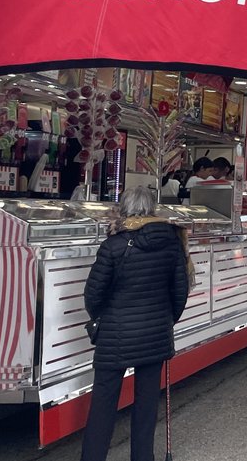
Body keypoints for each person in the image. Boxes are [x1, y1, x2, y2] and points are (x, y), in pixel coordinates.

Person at [81, 186, 192, 461]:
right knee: (146, 404)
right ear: (152, 209)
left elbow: (93, 294)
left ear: (124, 208)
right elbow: (180, 292)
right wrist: (166, 321)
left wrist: (101, 318)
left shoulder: (113, 245)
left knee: (103, 404)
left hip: (114, 335)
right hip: (155, 334)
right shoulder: (173, 242)